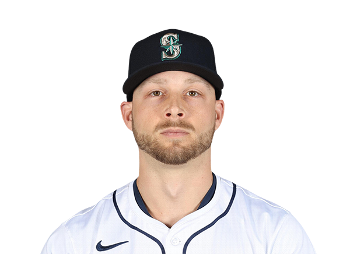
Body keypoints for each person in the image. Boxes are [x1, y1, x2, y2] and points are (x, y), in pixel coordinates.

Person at [42, 30, 316, 253]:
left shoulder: (275, 235)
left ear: (218, 114)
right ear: (128, 115)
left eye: (192, 92)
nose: (174, 108)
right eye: (157, 92)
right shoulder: (73, 242)